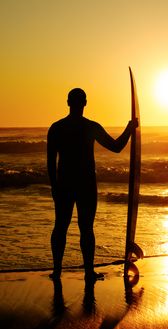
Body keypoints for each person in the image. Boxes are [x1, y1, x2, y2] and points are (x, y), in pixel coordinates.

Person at [47, 88, 137, 281]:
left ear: (68, 102)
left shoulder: (56, 128)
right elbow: (116, 147)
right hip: (86, 184)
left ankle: (57, 271)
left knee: (60, 226)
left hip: (64, 183)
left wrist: (54, 187)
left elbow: (50, 162)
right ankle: (88, 272)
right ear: (85, 103)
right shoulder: (90, 127)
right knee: (86, 227)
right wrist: (129, 129)